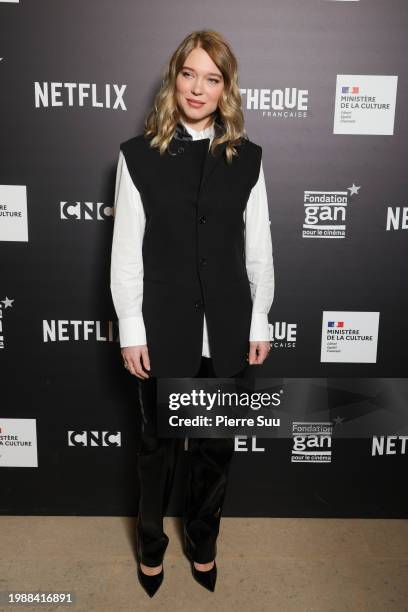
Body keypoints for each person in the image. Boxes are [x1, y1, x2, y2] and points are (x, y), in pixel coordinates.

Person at [110, 29, 275, 597]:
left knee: (212, 453)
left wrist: (259, 321)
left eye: (211, 78)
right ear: (173, 78)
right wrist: (132, 330)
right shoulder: (137, 157)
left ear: (226, 87)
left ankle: (203, 545)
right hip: (163, 332)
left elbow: (259, 251)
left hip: (227, 331)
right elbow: (126, 253)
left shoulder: (247, 159)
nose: (197, 88)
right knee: (157, 455)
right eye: (188, 74)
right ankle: (151, 550)